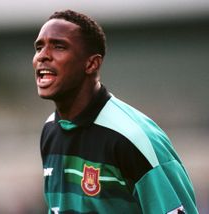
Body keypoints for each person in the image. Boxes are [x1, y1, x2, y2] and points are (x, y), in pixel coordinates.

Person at [32, 9, 198, 214]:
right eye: (39, 47)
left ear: (92, 63)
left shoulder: (133, 137)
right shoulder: (50, 129)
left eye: (59, 46)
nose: (42, 56)